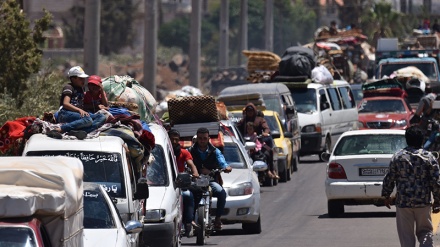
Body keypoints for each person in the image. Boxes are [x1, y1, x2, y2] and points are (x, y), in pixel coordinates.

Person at [382, 125, 440, 247]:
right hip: (423, 202)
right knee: (425, 232)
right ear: (422, 140)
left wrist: (386, 195)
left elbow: (390, 177)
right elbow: (436, 181)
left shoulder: (398, 157)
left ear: (406, 139)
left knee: (406, 236)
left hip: (403, 203)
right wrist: (437, 200)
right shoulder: (429, 157)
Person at [188, 127, 232, 230]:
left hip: (210, 180)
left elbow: (222, 162)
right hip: (195, 181)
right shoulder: (190, 151)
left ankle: (217, 218)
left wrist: (226, 167)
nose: (202, 141)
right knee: (188, 195)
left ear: (208, 139)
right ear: (197, 139)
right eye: (200, 138)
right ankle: (189, 220)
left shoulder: (215, 151)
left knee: (221, 193)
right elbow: (185, 160)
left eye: (204, 138)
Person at [50, 66, 106, 140]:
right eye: (80, 79)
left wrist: (96, 106)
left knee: (101, 117)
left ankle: (78, 132)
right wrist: (79, 110)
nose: (83, 81)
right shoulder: (69, 87)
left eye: (84, 79)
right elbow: (66, 104)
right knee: (88, 119)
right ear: (73, 79)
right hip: (65, 113)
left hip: (77, 114)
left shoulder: (81, 88)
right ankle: (61, 129)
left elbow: (81, 105)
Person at [168, 129, 200, 236]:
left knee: (188, 195)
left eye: (176, 139)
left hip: (181, 183)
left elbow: (191, 164)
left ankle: (188, 221)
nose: (174, 142)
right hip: (167, 183)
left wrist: (195, 173)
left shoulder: (184, 152)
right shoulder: (164, 152)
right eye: (172, 139)